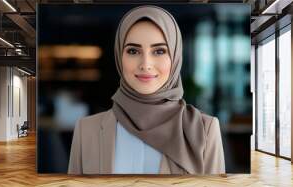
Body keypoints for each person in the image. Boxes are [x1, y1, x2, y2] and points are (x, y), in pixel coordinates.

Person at [68, 5, 225, 175]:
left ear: (175, 57)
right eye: (133, 51)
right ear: (119, 57)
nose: (145, 64)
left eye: (159, 51)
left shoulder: (205, 129)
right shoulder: (86, 131)